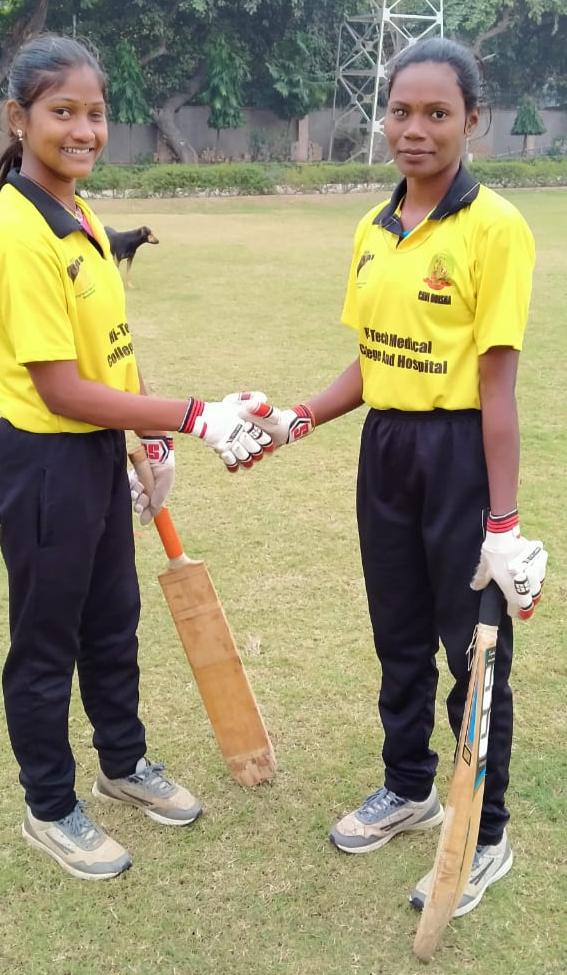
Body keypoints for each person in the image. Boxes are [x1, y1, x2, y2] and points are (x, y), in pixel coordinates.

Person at [235, 37, 548, 917]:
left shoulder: (495, 229)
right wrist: (297, 418)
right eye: (401, 111)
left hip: (457, 455)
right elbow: (370, 363)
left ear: (470, 120)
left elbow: (496, 387)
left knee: (473, 652)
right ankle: (407, 783)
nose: (414, 130)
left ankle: (483, 836)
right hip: (386, 450)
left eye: (436, 113)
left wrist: (501, 521)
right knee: (398, 630)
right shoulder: (374, 228)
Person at [0, 33, 273, 881]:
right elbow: (59, 389)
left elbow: (109, 351)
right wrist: (195, 414)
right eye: (62, 112)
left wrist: (149, 441)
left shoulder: (77, 208)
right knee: (47, 643)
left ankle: (123, 764)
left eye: (95, 113)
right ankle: (50, 804)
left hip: (96, 454)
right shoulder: (16, 228)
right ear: (18, 117)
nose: (83, 129)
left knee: (112, 623)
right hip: (42, 459)